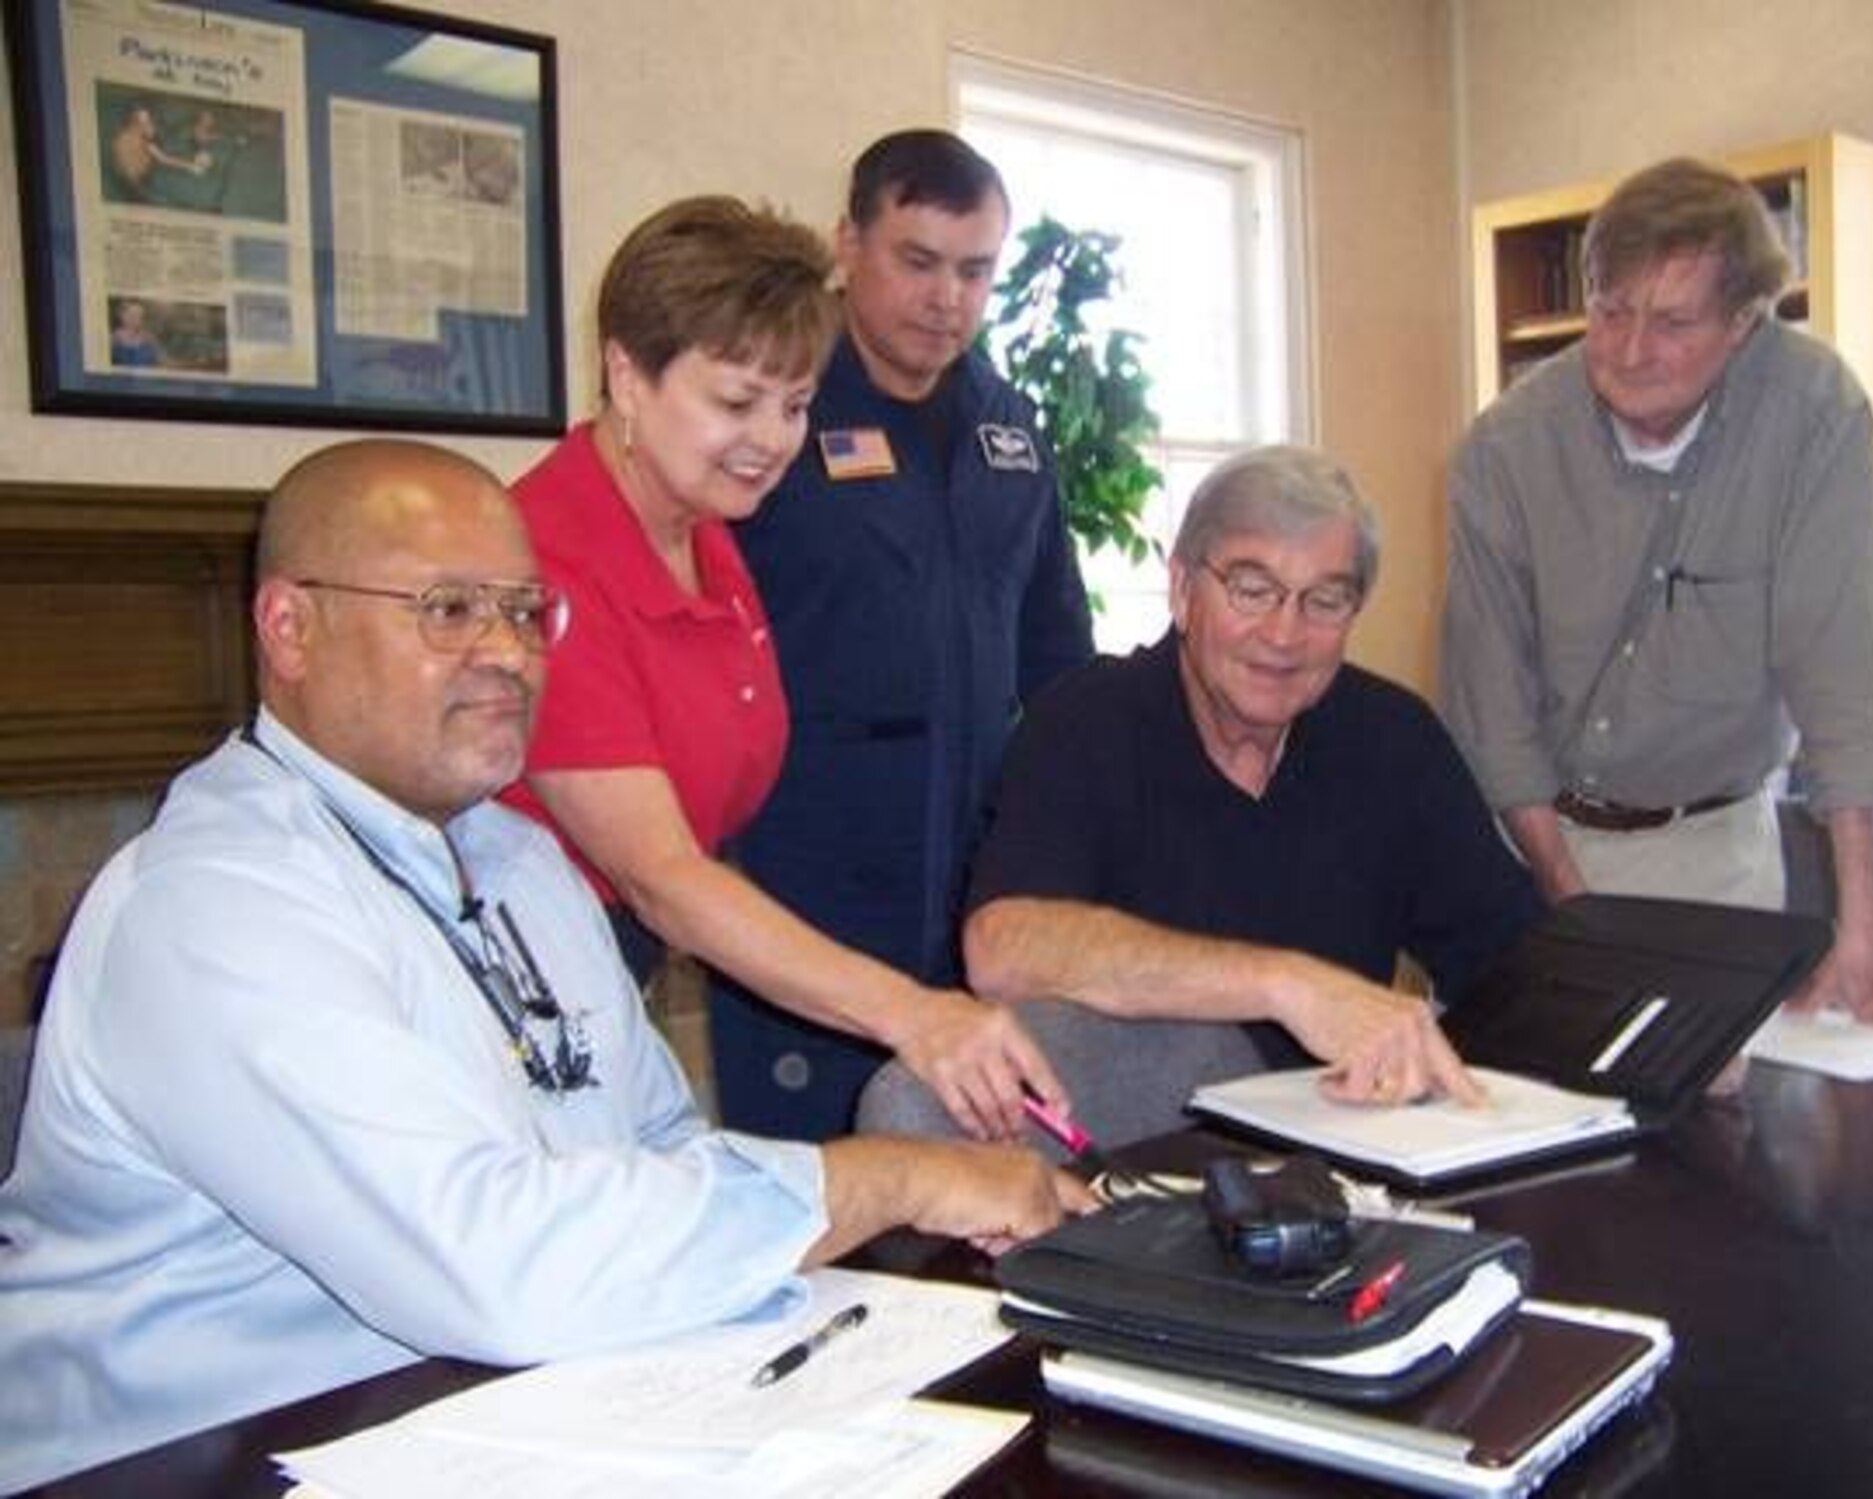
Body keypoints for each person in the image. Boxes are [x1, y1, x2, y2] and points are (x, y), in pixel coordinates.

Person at [0, 439, 1093, 1491]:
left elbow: (656, 1143)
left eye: (526, 611)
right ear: (290, 626)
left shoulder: (517, 860)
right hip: (193, 1457)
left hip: (500, 1412)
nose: (508, 651)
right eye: (448, 608)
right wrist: (894, 1173)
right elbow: (498, 1259)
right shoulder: (215, 904)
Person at [499, 196, 1066, 1145]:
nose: (770, 439)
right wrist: (914, 1013)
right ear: (626, 376)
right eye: (733, 401)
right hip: (501, 991)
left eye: (795, 404)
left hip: (603, 969)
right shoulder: (545, 560)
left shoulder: (710, 530)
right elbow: (663, 876)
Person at [1440, 156, 1873, 1035]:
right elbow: (1490, 707)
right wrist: (1569, 904)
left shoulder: (1814, 415)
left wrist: (1867, 931)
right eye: (1610, 311)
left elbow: (1846, 678)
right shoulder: (1507, 449)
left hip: (1713, 847)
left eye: (1672, 322)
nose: (1627, 351)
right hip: (1526, 842)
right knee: (1524, 1116)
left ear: (1744, 322)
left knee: (1722, 1132)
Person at [962, 445, 1543, 1107]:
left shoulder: (1393, 738)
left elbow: (1513, 962)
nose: (1284, 633)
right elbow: (1001, 947)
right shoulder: (1086, 722)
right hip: (1139, 1146)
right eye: (1252, 589)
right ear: (1183, 589)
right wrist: (1283, 984)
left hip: (1346, 1139)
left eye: (1325, 600)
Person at [720, 129, 1095, 1138]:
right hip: (801, 880)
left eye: (975, 271)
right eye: (917, 261)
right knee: (811, 1180)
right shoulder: (769, 416)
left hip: (974, 883)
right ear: (848, 244)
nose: (946, 300)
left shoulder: (1007, 428)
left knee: (968, 1171)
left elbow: (1060, 666)